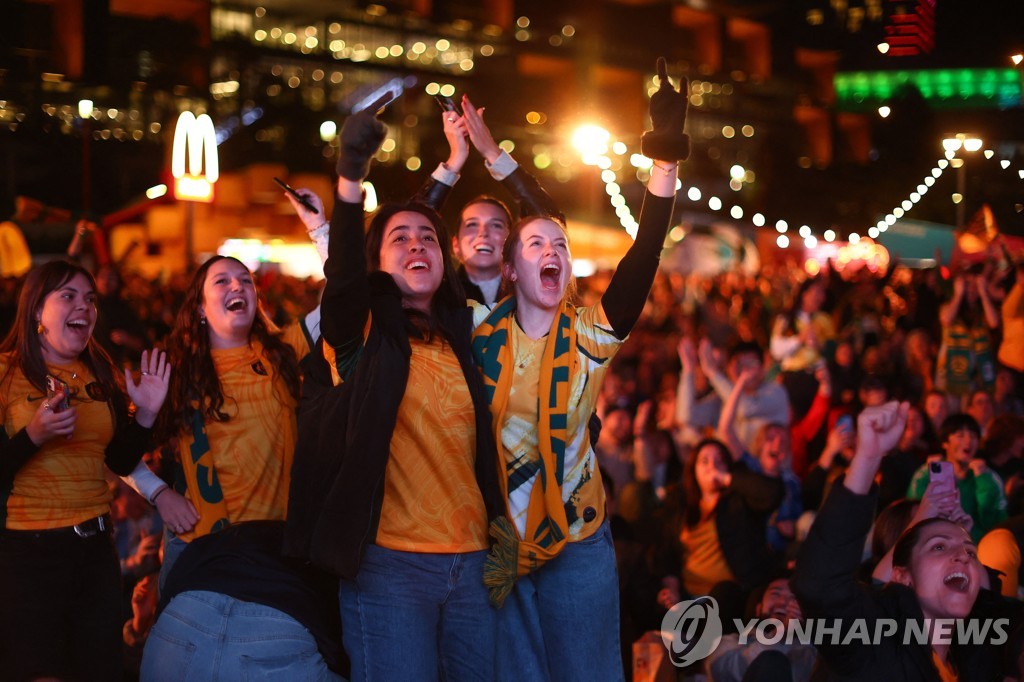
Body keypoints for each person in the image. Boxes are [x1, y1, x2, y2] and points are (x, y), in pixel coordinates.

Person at [467, 57, 689, 681]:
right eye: (534, 244)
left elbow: (645, 251)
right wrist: (481, 157)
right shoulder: (475, 336)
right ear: (510, 270)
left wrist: (666, 161)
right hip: (498, 544)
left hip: (579, 539)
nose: (552, 251)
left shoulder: (591, 334)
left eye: (559, 245)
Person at [283, 93, 507, 681]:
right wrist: (352, 178)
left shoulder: (467, 334)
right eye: (399, 240)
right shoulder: (360, 336)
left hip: (473, 565)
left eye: (429, 240)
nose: (416, 245)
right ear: (378, 265)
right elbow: (347, 275)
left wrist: (457, 162)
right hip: (390, 571)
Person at [140, 254, 343, 680]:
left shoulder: (285, 353)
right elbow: (113, 450)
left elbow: (342, 295)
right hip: (197, 548)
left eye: (245, 280)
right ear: (198, 306)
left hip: (276, 551)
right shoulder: (176, 372)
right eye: (222, 281)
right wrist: (159, 494)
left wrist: (321, 228)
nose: (237, 287)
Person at [0, 259, 169, 681]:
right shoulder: (5, 373)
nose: (85, 306)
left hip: (96, 550)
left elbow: (116, 460)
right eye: (69, 296)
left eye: (90, 299)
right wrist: (33, 436)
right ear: (38, 310)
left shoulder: (99, 372)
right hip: (29, 555)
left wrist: (145, 416)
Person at [793, 400, 1007, 680]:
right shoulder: (872, 644)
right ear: (903, 576)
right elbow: (821, 586)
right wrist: (868, 458)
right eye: (939, 546)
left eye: (970, 551)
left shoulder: (989, 654)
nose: (963, 555)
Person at [906, 413, 1007, 542]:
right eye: (960, 435)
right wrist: (928, 474)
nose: (968, 441)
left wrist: (983, 480)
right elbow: (912, 517)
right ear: (945, 443)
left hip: (977, 549)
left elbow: (994, 523)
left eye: (973, 436)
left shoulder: (988, 476)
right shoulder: (927, 472)